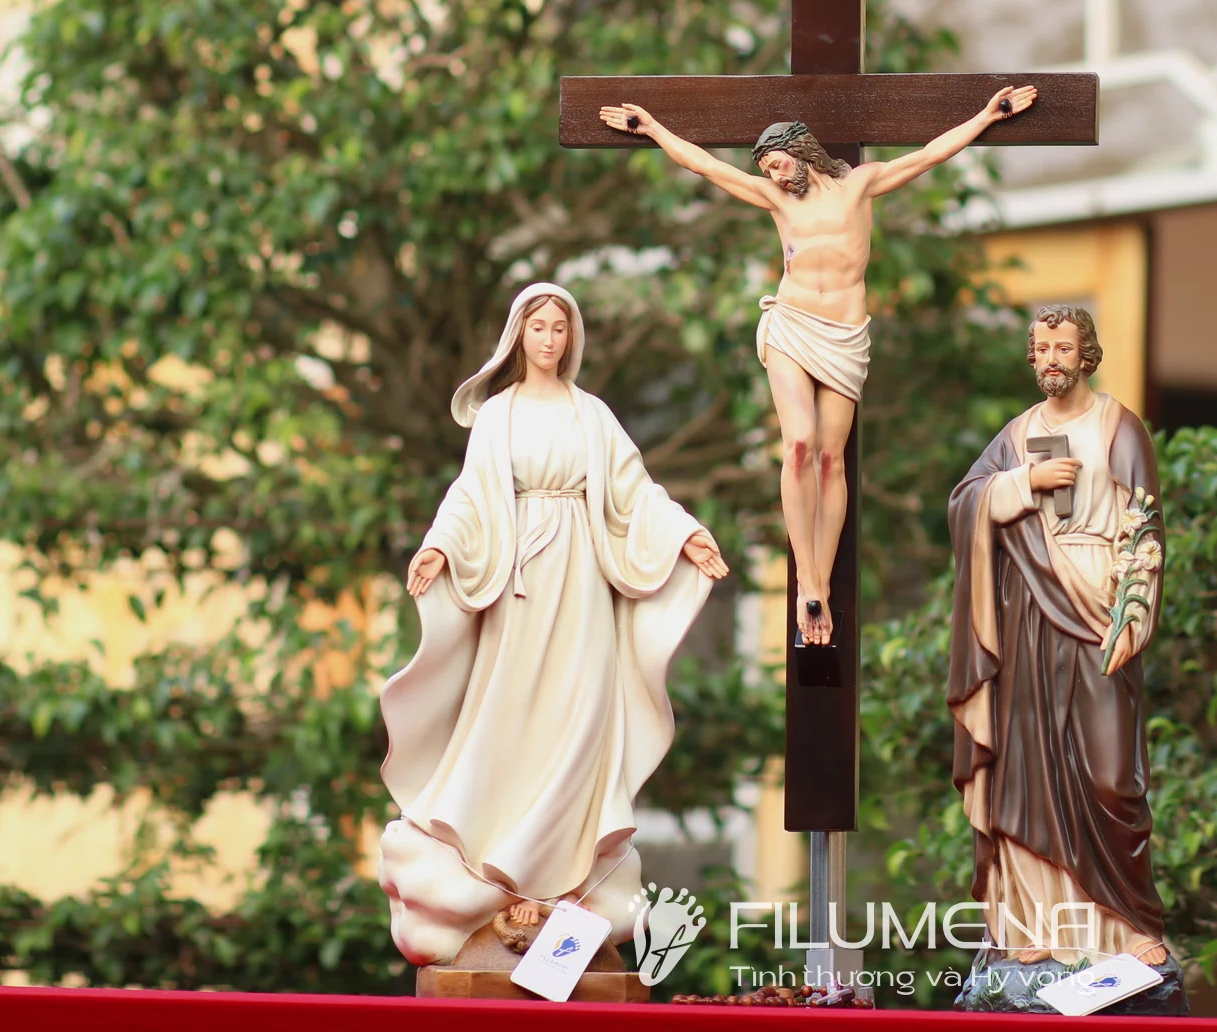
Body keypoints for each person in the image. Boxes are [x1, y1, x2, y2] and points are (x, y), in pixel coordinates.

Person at [597, 87, 1036, 644]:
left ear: (801, 151)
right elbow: (705, 166)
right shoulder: (777, 201)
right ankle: (803, 572)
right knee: (799, 444)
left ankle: (820, 585)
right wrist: (652, 128)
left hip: (845, 336)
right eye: (767, 170)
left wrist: (986, 116)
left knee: (831, 460)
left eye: (778, 164)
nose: (775, 177)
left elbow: (929, 154)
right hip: (791, 326)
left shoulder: (859, 185)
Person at [377, 282, 730, 967]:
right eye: (538, 327)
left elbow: (635, 491)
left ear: (571, 338)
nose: (548, 339)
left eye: (558, 328)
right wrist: (440, 546)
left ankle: (567, 881)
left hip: (583, 579)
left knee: (582, 714)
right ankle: (497, 870)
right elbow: (470, 496)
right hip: (519, 584)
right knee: (511, 713)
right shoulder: (498, 414)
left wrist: (684, 533)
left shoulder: (591, 415)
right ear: (519, 335)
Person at [946, 304, 1173, 974]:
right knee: (1028, 768)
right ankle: (1039, 920)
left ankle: (1128, 925)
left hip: (1099, 609)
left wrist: (1134, 613)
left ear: (1087, 354)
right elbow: (964, 502)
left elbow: (1146, 525)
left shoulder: (1118, 427)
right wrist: (1024, 482)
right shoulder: (1017, 436)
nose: (1051, 359)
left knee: (1110, 776)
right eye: (1041, 348)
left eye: (1063, 348)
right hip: (1028, 620)